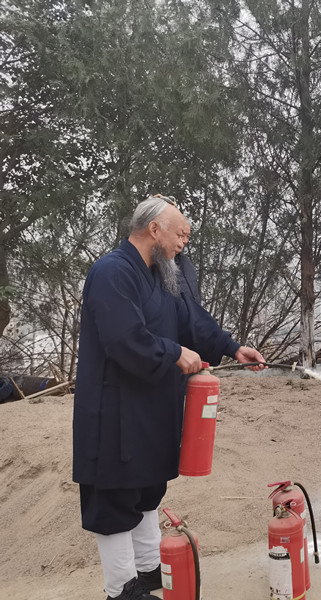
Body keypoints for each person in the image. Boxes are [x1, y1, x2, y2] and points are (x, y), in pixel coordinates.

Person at [72, 195, 266, 600]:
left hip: (151, 406)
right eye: (180, 234)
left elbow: (192, 321)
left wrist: (232, 347)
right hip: (114, 409)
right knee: (114, 502)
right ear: (154, 230)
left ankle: (148, 576)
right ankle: (122, 590)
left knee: (145, 491)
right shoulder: (112, 272)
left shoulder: (162, 277)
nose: (183, 244)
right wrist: (174, 352)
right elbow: (124, 337)